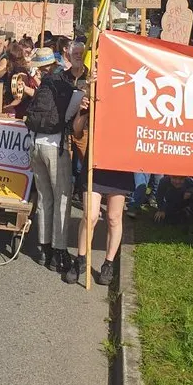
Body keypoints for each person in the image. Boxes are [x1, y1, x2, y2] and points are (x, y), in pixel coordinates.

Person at [65, 94, 134, 287]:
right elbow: (77, 130)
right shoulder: (96, 94)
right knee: (90, 215)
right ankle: (80, 260)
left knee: (113, 217)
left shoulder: (131, 98)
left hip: (121, 163)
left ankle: (108, 263)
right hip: (95, 162)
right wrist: (84, 109)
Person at [24, 48, 80, 272]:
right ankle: (59, 251)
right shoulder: (64, 85)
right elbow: (71, 115)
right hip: (55, 146)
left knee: (44, 198)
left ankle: (43, 250)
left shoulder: (42, 86)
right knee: (62, 199)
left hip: (35, 145)